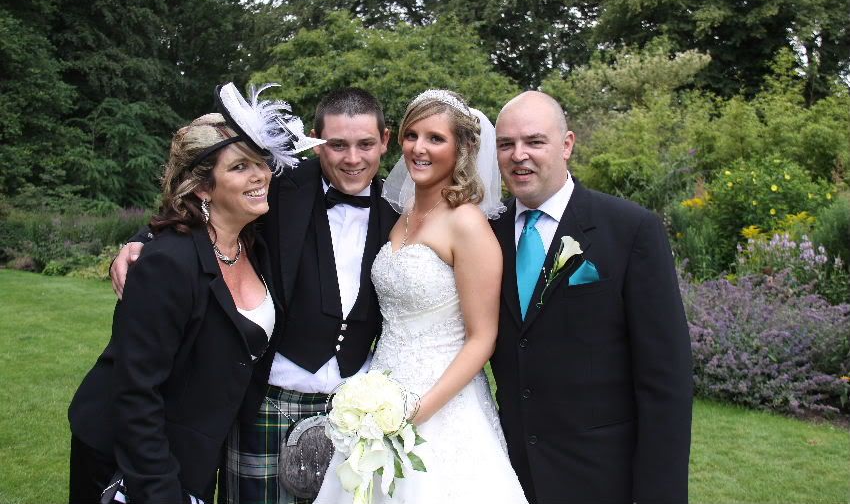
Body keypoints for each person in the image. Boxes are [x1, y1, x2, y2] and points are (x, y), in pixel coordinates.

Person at [110, 87, 397, 504]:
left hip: (355, 406)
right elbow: (204, 199)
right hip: (268, 397)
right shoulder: (277, 183)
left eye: (365, 144)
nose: (352, 159)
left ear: (385, 140)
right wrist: (143, 239)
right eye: (337, 145)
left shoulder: (399, 207)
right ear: (316, 140)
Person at [69, 83, 323, 503]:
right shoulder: (167, 263)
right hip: (127, 457)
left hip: (196, 451)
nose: (261, 175)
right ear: (204, 187)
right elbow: (136, 393)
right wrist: (160, 490)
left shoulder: (253, 244)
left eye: (260, 163)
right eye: (240, 167)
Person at [314, 89, 528, 503]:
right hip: (381, 391)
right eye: (411, 135)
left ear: (461, 148)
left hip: (442, 403)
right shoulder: (404, 215)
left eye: (435, 138)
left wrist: (419, 409)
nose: (418, 148)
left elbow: (482, 337)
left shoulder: (467, 224)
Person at [489, 91, 694, 504]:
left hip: (600, 475)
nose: (518, 155)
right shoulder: (486, 233)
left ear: (567, 145)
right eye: (506, 144)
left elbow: (666, 378)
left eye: (534, 141)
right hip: (507, 473)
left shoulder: (630, 229)